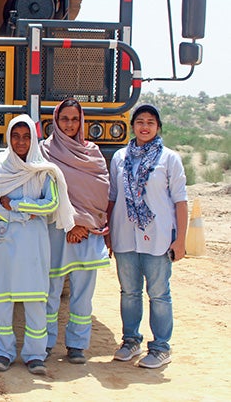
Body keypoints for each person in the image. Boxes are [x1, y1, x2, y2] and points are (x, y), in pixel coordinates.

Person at [0, 114, 74, 375]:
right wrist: (25, 214)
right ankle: (3, 352)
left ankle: (34, 354)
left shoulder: (43, 170)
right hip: (4, 240)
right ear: (8, 138)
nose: (21, 142)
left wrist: (17, 205)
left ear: (34, 139)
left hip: (33, 245)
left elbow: (52, 204)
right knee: (3, 299)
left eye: (26, 136)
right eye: (16, 136)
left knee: (35, 301)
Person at [107, 104, 187, 369]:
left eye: (150, 122)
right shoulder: (119, 157)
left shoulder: (169, 159)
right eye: (140, 121)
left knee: (159, 293)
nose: (145, 126)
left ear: (158, 127)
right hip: (125, 235)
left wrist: (181, 240)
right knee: (129, 292)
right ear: (132, 127)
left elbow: (180, 202)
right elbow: (113, 197)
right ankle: (130, 341)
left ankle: (161, 346)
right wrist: (108, 232)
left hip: (158, 236)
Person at [40, 99, 110, 364]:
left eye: (74, 119)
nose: (69, 124)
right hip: (57, 231)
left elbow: (100, 192)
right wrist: (70, 222)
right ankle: (44, 343)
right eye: (64, 119)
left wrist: (81, 223)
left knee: (82, 293)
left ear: (82, 122)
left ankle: (77, 345)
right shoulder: (45, 151)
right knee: (50, 289)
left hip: (85, 233)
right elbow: (44, 191)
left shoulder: (92, 152)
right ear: (55, 121)